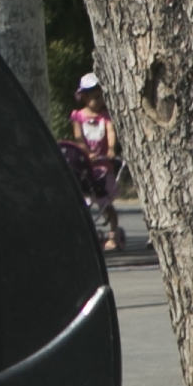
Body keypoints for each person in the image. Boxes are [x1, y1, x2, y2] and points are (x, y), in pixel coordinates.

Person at [70, 73, 121, 253]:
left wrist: (111, 149)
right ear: (85, 97)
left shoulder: (104, 117)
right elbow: (78, 137)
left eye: (101, 97)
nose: (100, 101)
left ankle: (113, 234)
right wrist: (85, 152)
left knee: (105, 203)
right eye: (96, 98)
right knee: (85, 203)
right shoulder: (78, 116)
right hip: (87, 167)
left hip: (102, 165)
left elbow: (110, 132)